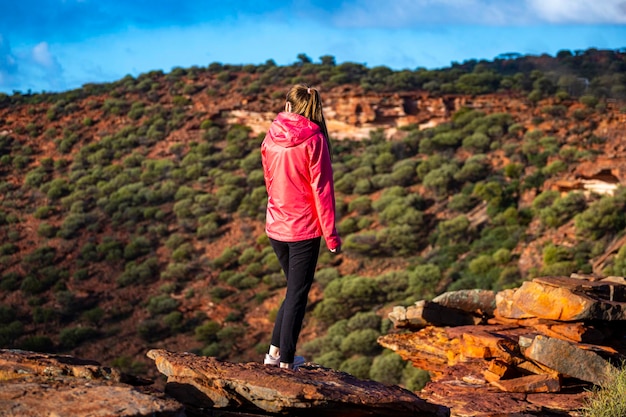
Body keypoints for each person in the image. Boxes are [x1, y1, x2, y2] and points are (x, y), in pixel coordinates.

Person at [261, 84, 341, 370]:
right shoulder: (315, 139)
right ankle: (286, 362)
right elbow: (323, 191)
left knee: (292, 290)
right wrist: (331, 236)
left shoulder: (271, 136)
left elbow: (269, 181)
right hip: (303, 229)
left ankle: (273, 353)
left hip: (276, 226)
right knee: (297, 293)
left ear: (288, 106)